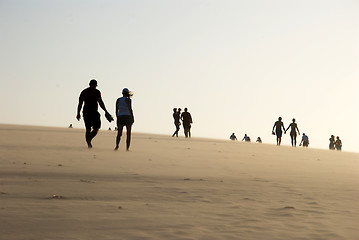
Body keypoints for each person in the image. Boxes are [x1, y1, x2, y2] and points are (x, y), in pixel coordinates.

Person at [76, 79, 112, 148]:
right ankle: (89, 141)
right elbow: (100, 102)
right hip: (93, 112)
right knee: (96, 128)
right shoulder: (96, 92)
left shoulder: (84, 92)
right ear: (95, 85)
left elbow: (80, 104)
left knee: (88, 129)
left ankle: (88, 142)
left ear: (89, 84)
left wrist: (78, 113)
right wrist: (106, 111)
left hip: (86, 112)